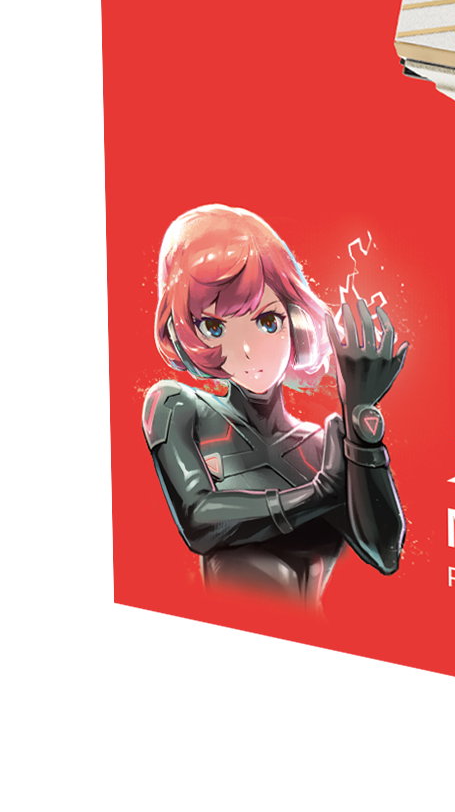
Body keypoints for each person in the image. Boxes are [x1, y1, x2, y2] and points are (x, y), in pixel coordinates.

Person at [142, 204, 407, 604]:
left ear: (295, 319)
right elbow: (199, 520)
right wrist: (320, 493)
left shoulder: (324, 445)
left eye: (268, 322)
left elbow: (385, 553)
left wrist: (359, 418)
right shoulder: (178, 407)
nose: (249, 351)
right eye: (215, 327)